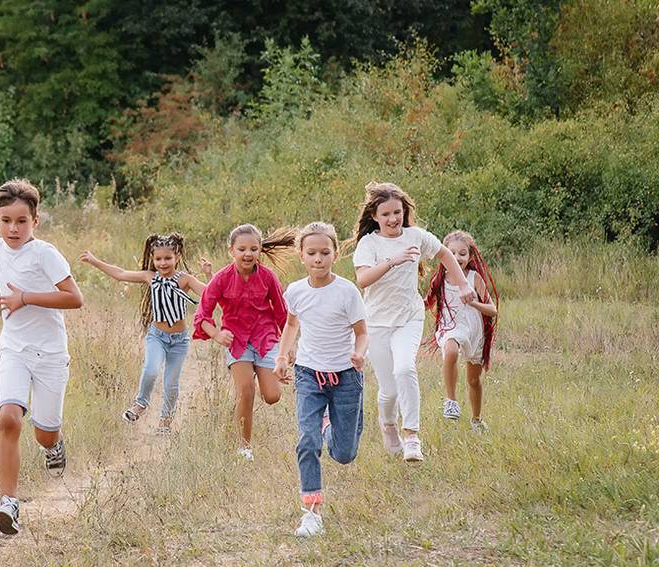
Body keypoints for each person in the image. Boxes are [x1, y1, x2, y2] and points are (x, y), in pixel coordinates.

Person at [0, 179, 84, 535]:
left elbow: (74, 298)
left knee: (44, 433)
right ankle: (9, 503)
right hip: (13, 348)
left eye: (21, 221)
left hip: (50, 354)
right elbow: (3, 274)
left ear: (35, 221)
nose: (13, 229)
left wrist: (26, 297)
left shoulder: (46, 254)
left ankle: (54, 443)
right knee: (9, 420)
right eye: (6, 220)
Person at [349, 181, 475, 462]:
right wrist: (392, 261)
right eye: (386, 214)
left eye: (398, 212)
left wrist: (463, 283)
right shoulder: (368, 244)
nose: (393, 219)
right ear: (375, 217)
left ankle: (412, 437)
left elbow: (443, 253)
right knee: (388, 391)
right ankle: (389, 424)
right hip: (377, 322)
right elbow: (363, 279)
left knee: (405, 369)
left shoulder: (415, 235)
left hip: (408, 316)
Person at [274, 222, 367, 537]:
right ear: (302, 255)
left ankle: (330, 427)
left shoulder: (347, 291)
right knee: (307, 441)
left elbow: (362, 332)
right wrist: (283, 356)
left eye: (324, 252)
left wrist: (359, 353)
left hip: (345, 376)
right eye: (311, 253)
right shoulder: (296, 291)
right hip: (309, 374)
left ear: (335, 254)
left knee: (344, 454)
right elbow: (290, 326)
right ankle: (311, 513)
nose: (318, 259)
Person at [79, 234, 212, 434]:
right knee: (150, 370)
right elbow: (120, 273)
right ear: (152, 258)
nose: (163, 263)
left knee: (171, 383)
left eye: (168, 258)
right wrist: (94, 261)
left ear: (177, 256)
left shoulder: (185, 279)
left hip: (179, 341)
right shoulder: (149, 277)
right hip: (157, 336)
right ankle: (140, 404)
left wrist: (209, 275)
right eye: (158, 259)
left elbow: (209, 294)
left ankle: (165, 422)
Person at [193, 224, 296, 460]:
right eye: (242, 249)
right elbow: (202, 316)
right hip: (237, 341)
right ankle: (244, 447)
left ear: (259, 250)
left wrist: (289, 347)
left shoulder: (268, 278)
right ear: (231, 251)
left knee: (272, 396)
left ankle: (263, 376)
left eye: (253, 248)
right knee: (245, 391)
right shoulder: (221, 279)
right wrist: (217, 334)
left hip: (265, 338)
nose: (247, 254)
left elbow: (282, 314)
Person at [425, 230, 499, 431]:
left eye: (462, 253)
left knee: (474, 380)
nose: (457, 258)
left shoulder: (474, 279)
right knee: (450, 350)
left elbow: (492, 310)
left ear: (471, 256)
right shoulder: (439, 280)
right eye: (452, 253)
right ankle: (451, 401)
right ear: (444, 255)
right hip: (450, 328)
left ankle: (476, 420)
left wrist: (474, 303)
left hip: (474, 333)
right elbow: (426, 303)